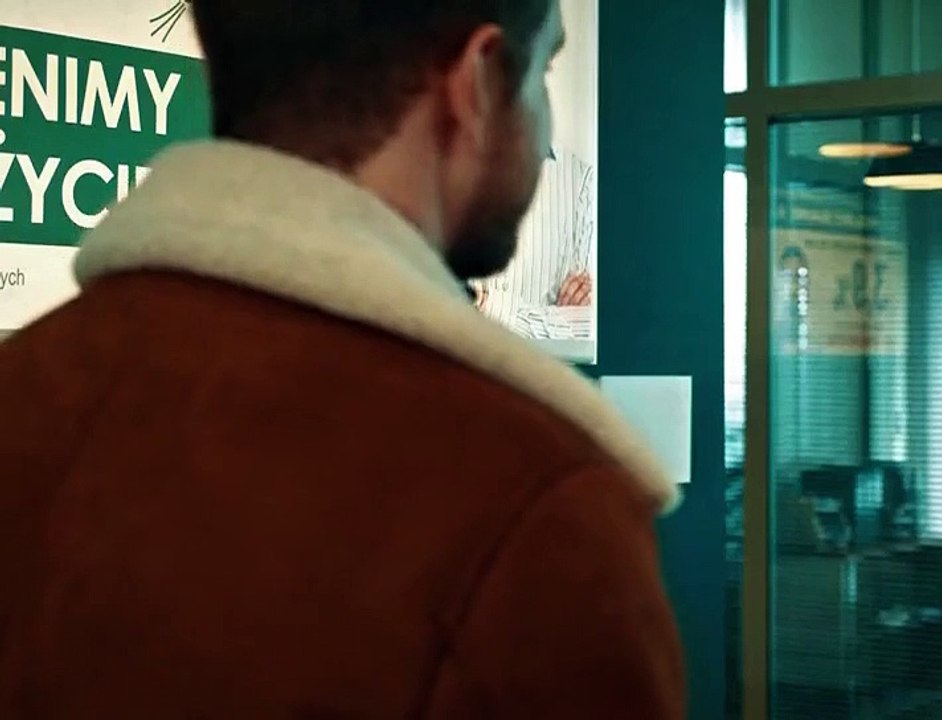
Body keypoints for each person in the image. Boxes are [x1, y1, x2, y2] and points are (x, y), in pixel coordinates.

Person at [0, 1, 685, 717]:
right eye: (542, 70)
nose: (544, 138)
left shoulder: (28, 390)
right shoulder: (537, 508)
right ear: (478, 84)